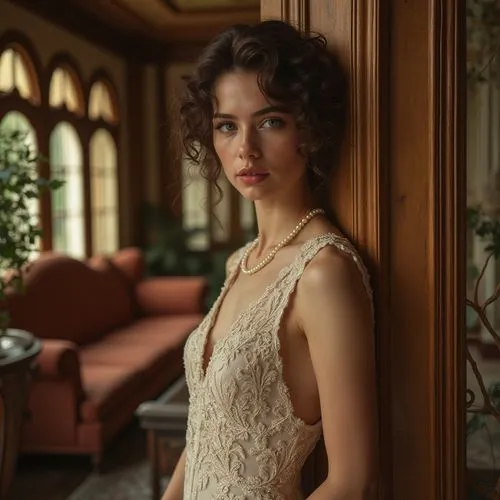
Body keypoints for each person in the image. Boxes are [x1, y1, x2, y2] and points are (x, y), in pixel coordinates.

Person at [162, 19, 378, 500]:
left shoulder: (323, 273)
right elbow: (205, 434)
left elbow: (352, 480)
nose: (245, 150)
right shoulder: (240, 261)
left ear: (309, 130)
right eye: (226, 126)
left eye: (270, 121)